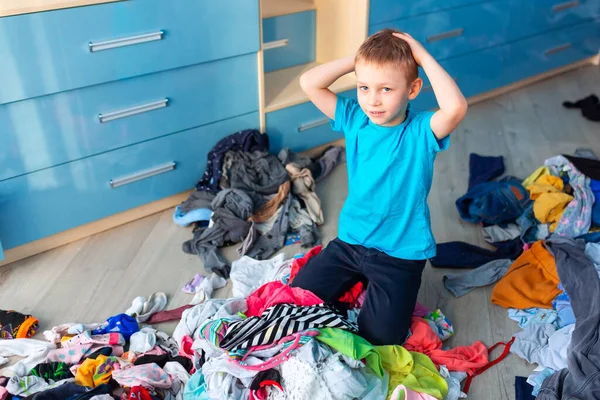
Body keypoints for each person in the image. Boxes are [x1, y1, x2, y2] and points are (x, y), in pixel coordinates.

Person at [290, 28, 468, 345]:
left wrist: (421, 56)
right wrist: (360, 61)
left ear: (413, 89)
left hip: (400, 253)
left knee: (381, 339)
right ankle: (357, 283)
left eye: (386, 88)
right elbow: (309, 83)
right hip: (352, 241)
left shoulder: (421, 131)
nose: (372, 99)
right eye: (364, 87)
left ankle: (368, 290)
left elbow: (455, 108)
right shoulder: (354, 118)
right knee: (295, 299)